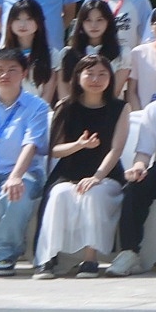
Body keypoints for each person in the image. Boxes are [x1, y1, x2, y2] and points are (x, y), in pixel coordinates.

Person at [31, 55, 129, 278]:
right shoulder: (65, 106)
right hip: (69, 172)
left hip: (106, 173)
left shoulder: (120, 108)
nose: (96, 79)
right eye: (90, 74)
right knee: (58, 195)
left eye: (102, 74)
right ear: (78, 77)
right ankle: (46, 259)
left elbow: (116, 150)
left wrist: (97, 177)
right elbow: (55, 149)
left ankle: (90, 259)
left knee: (93, 194)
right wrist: (79, 145)